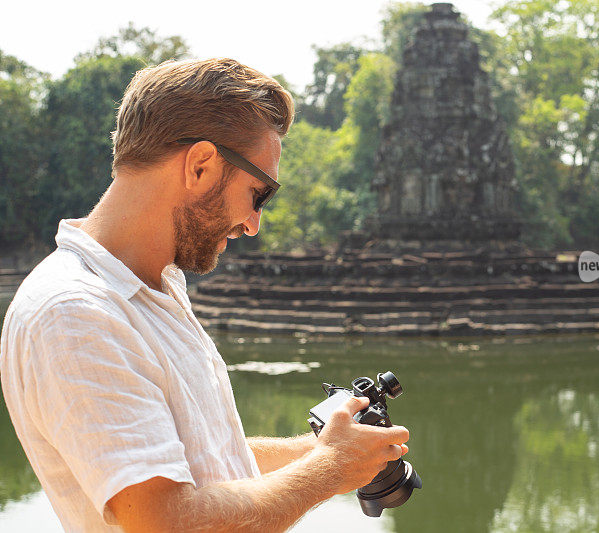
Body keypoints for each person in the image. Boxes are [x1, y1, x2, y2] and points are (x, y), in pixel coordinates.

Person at [0, 58, 410, 532]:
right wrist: (328, 470)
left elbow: (202, 462)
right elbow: (164, 520)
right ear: (200, 165)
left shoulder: (153, 287)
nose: (255, 224)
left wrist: (323, 450)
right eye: (259, 194)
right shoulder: (75, 312)